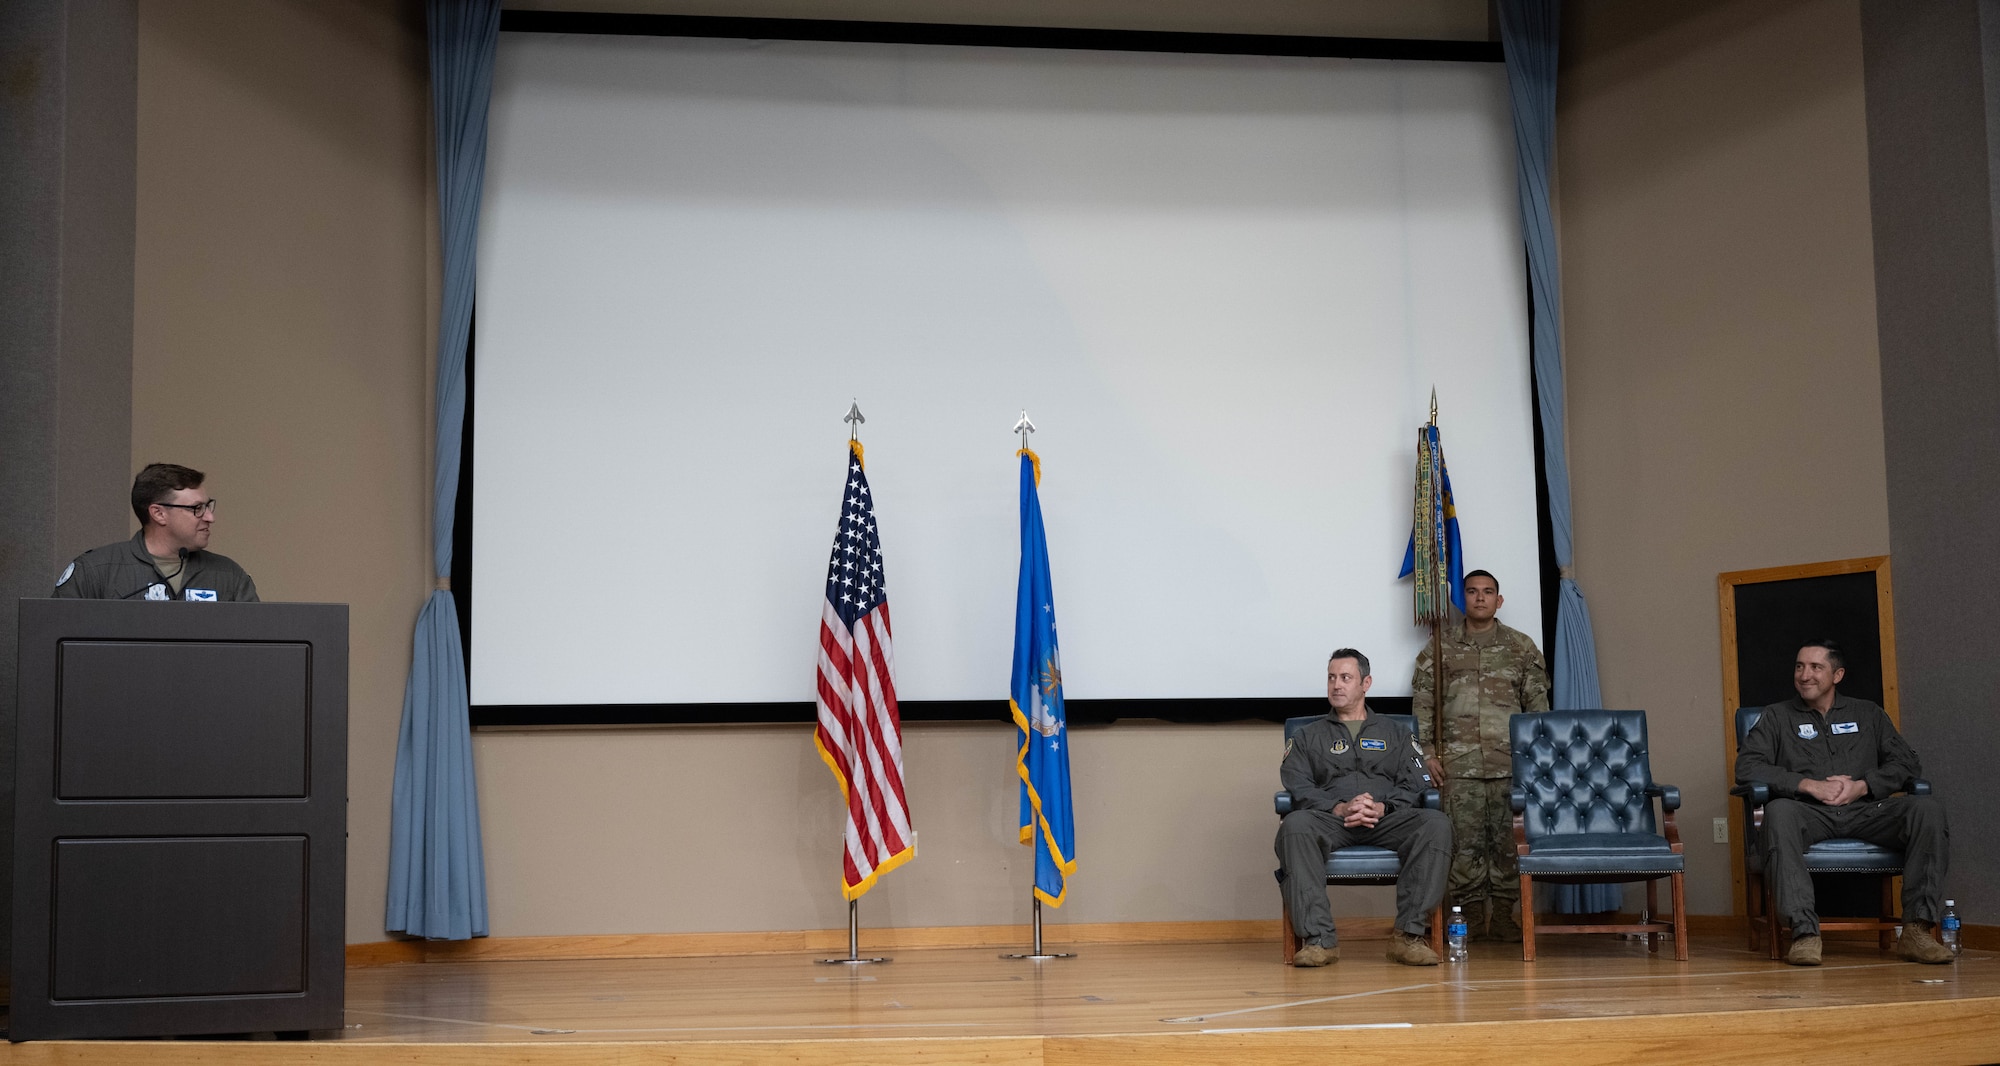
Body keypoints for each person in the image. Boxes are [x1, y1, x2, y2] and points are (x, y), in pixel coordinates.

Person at [1735, 640, 1951, 966]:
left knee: (1928, 809)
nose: (1804, 675)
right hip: (1807, 811)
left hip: (1866, 810)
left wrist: (1863, 786)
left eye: (1815, 667)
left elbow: (1907, 762)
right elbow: (1747, 767)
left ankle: (1916, 931)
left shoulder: (1867, 713)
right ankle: (1804, 934)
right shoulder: (1777, 716)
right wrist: (1809, 785)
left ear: (1837, 675)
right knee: (1778, 812)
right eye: (1799, 666)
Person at [1276, 648, 1450, 967]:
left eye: (1345, 677)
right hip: (1332, 821)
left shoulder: (1396, 733)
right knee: (1295, 825)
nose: (1336, 685)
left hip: (1386, 820)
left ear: (1365, 683)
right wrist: (1339, 807)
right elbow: (1296, 782)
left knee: (1436, 824)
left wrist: (1384, 807)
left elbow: (1416, 780)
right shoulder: (1308, 736)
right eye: (1331, 678)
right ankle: (1319, 940)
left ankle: (1408, 937)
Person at [1410, 569, 1549, 942]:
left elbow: (1538, 711)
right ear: (1463, 600)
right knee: (1463, 846)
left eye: (1488, 592)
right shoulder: (1440, 648)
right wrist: (1427, 754)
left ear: (1499, 600)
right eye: (1472, 591)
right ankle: (1468, 918)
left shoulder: (1521, 647)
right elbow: (1423, 707)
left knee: (1508, 845)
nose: (1480, 598)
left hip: (1510, 765)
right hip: (1457, 766)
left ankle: (1503, 917)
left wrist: (1534, 762)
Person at [52, 463, 258, 602]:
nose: (210, 517)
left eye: (208, 506)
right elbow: (55, 641)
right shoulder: (95, 571)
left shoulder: (228, 575)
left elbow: (254, 647)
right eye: (197, 508)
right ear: (159, 514)